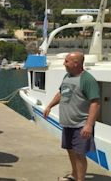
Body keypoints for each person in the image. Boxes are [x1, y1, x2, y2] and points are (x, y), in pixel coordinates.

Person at [44, 52, 100, 181]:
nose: (64, 63)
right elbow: (62, 92)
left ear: (76, 63)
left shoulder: (87, 79)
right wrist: (49, 106)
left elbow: (95, 103)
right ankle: (74, 175)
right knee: (70, 150)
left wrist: (89, 125)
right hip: (68, 123)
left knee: (80, 154)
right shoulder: (67, 76)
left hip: (80, 124)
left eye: (67, 61)